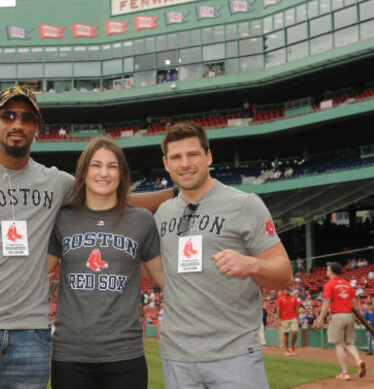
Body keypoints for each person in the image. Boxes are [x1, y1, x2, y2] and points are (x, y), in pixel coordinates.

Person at [0, 86, 171, 389]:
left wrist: (176, 192)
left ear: (36, 128)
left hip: (31, 334)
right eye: (9, 116)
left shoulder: (55, 183)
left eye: (27, 118)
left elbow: (115, 198)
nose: (18, 124)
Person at [153, 121, 293, 389]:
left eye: (193, 154)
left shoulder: (245, 204)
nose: (185, 163)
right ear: (166, 163)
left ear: (208, 156)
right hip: (177, 357)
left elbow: (284, 274)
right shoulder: (162, 213)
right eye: (176, 157)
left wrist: (251, 264)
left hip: (234, 353)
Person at [46, 136, 164, 389]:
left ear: (122, 174)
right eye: (96, 165)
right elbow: (35, 271)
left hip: (125, 355)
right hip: (69, 355)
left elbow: (167, 280)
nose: (104, 173)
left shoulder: (142, 220)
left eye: (112, 166)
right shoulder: (62, 219)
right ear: (83, 171)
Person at [315, 262, 366, 381]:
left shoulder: (329, 285)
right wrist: (355, 315)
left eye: (328, 269)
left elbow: (326, 303)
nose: (326, 271)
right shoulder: (348, 284)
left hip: (338, 316)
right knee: (349, 342)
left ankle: (345, 372)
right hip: (349, 315)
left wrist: (320, 319)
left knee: (339, 344)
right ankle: (358, 360)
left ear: (332, 271)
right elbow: (354, 303)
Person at [276, 288, 300, 356]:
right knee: (286, 334)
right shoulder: (280, 299)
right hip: (284, 319)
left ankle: (292, 347)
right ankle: (286, 350)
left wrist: (298, 318)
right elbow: (278, 310)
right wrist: (279, 319)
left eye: (288, 290)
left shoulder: (294, 298)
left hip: (293, 318)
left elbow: (296, 309)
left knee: (295, 332)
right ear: (283, 291)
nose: (287, 291)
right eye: (286, 289)